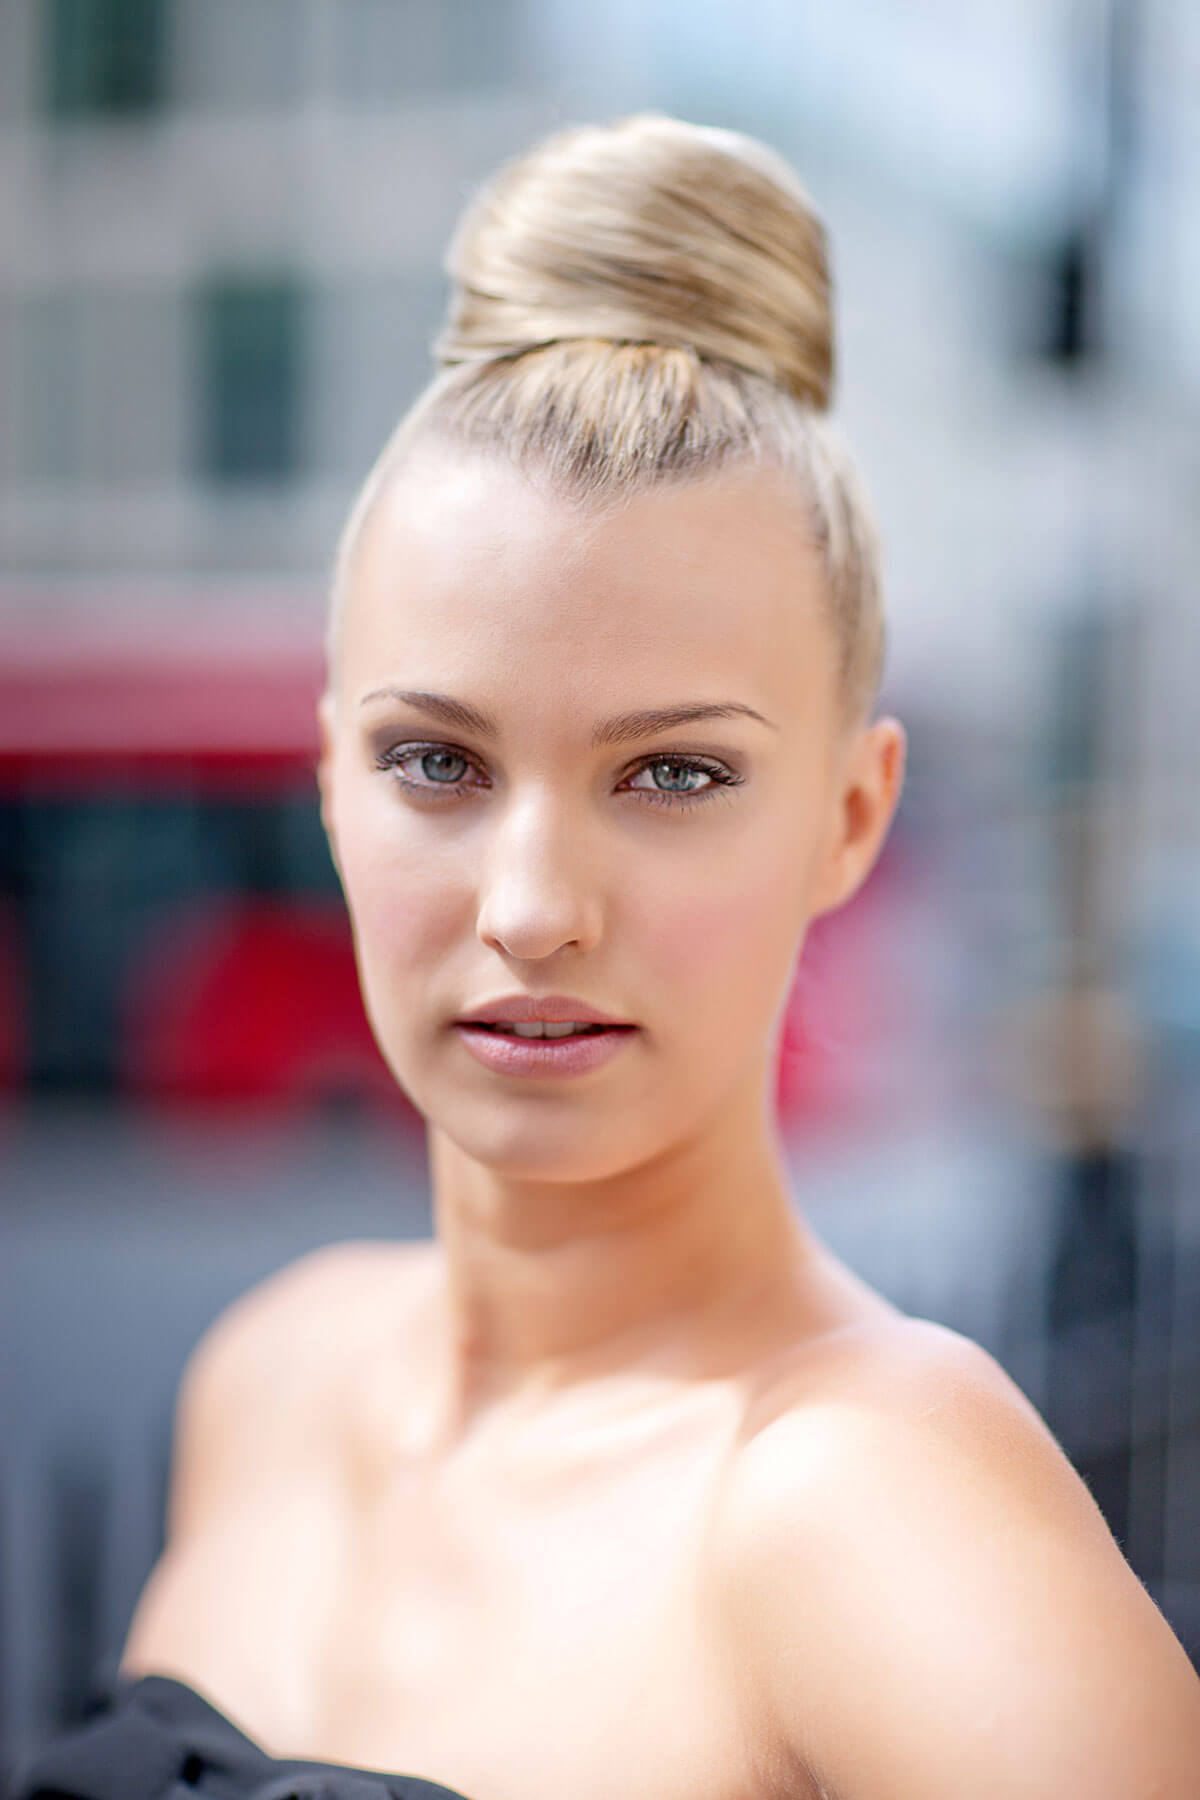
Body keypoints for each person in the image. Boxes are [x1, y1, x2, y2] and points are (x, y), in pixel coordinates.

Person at [15, 113, 1200, 1800]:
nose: (529, 908)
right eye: (438, 763)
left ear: (852, 820)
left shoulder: (864, 1509)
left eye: (672, 775)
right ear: (330, 785)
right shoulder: (268, 1383)